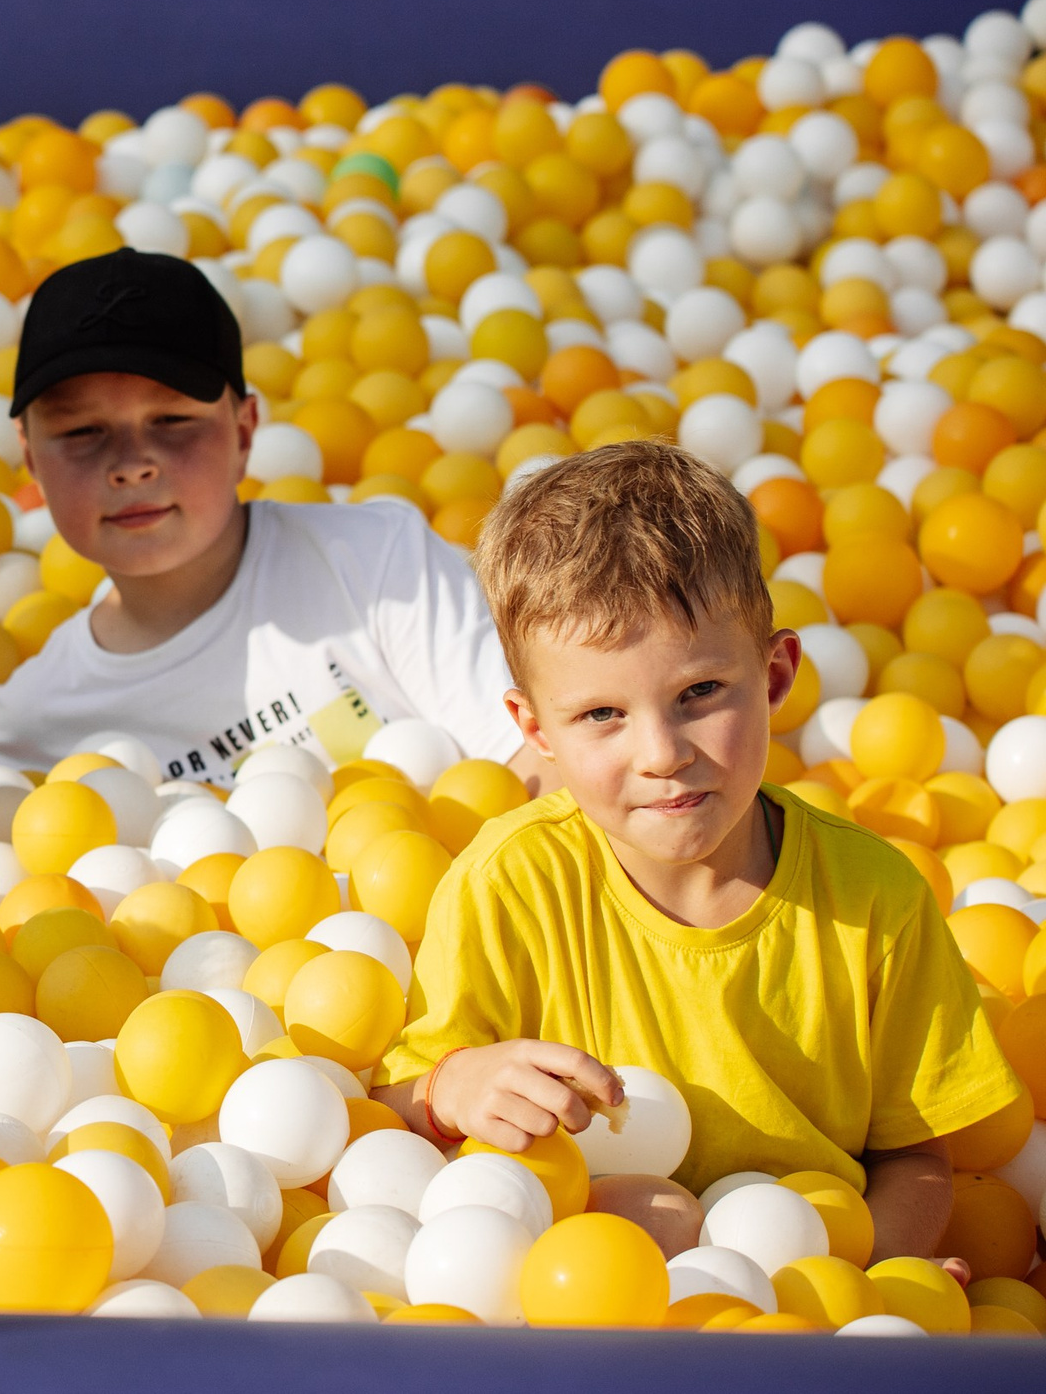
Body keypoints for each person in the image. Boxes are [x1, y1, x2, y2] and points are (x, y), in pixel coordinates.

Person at [369, 440, 1022, 1263]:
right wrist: (452, 1088)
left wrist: (870, 1273)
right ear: (535, 729)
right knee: (656, 1214)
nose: (662, 752)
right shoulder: (510, 884)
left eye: (699, 693)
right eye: (602, 714)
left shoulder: (874, 897)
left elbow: (916, 1158)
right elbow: (396, 1109)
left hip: (813, 1273)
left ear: (775, 675)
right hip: (594, 1282)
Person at [0, 250, 538, 786]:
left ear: (244, 433)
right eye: (82, 431)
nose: (132, 465)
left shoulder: (381, 565)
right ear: (30, 458)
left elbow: (541, 769)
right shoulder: (30, 731)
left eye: (171, 420)